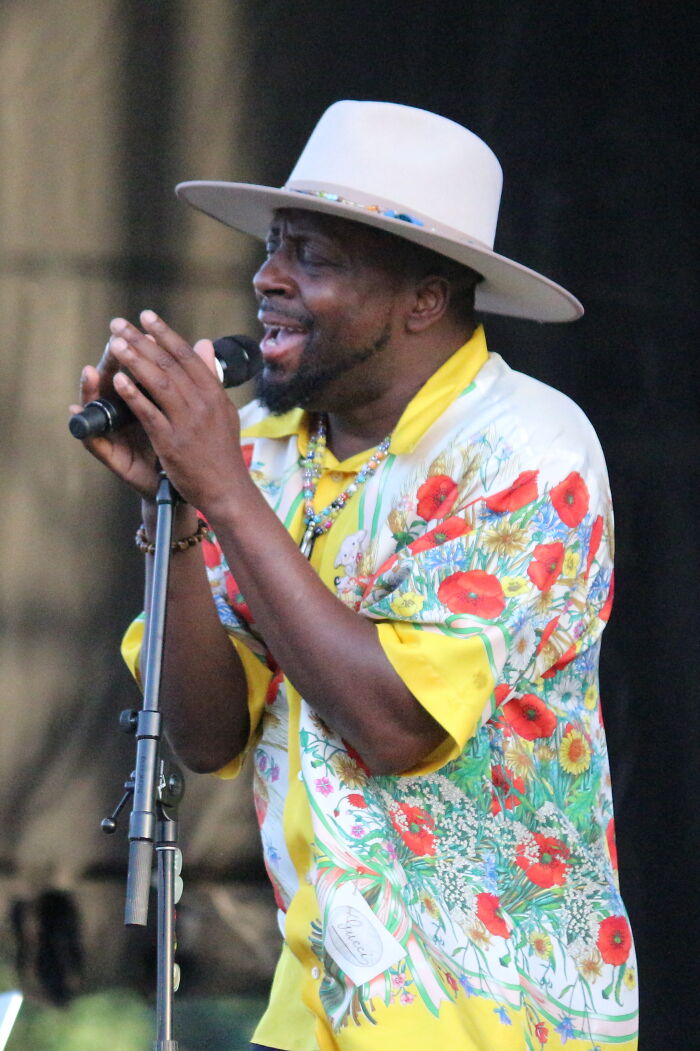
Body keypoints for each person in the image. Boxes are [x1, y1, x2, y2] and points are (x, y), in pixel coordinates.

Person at [74, 102, 638, 1051]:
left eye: (315, 258)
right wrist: (170, 502)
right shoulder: (261, 447)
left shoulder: (527, 451)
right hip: (321, 1007)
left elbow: (395, 725)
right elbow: (208, 735)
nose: (268, 279)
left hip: (495, 1020)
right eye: (274, 246)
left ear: (424, 298)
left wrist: (221, 486)